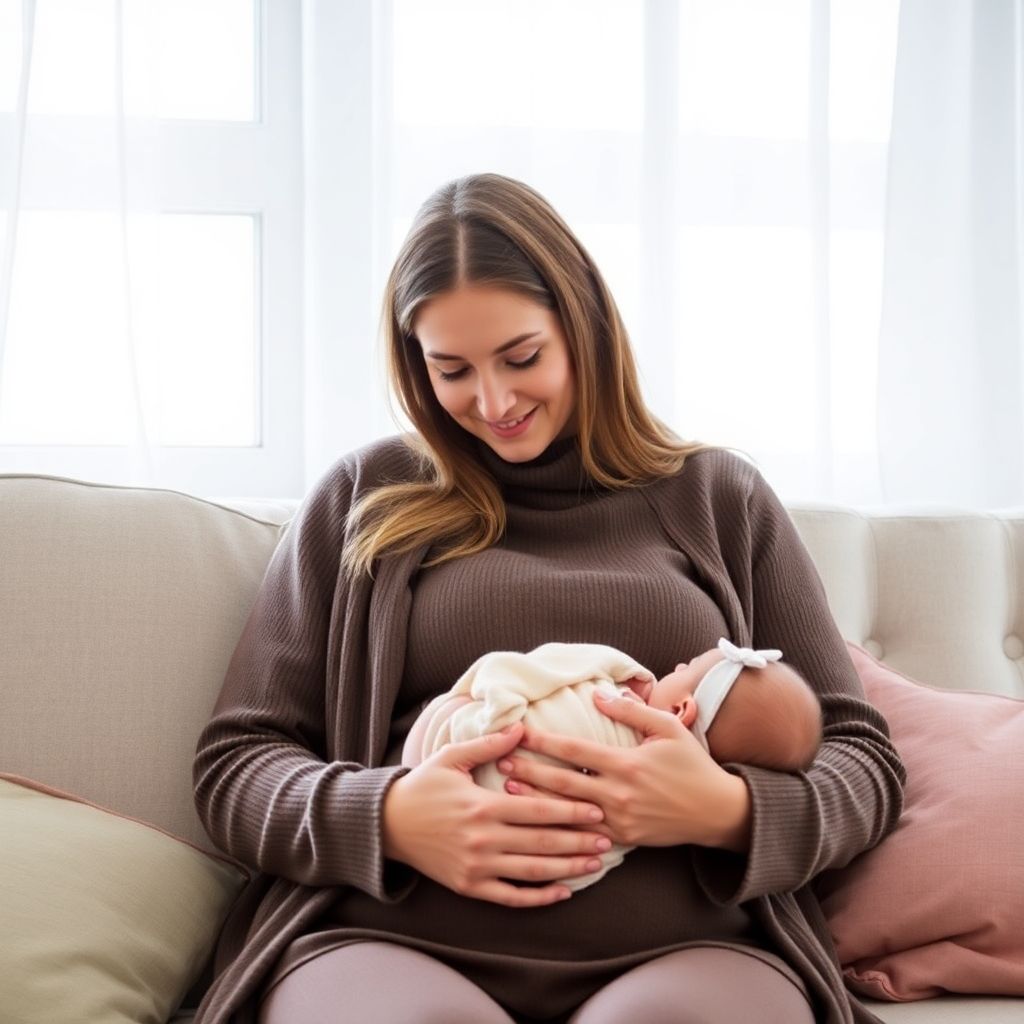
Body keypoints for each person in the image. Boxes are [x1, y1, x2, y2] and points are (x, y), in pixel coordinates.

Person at [190, 172, 906, 1024]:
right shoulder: (365, 497)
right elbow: (237, 763)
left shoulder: (719, 498)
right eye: (451, 369)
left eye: (521, 357)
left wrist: (728, 812)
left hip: (689, 953)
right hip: (393, 946)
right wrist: (386, 818)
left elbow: (862, 759)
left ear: (585, 327)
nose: (492, 403)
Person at [401, 637, 823, 893]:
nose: (675, 665)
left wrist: (730, 811)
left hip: (465, 751)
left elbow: (548, 663)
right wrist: (389, 817)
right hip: (485, 872)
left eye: (686, 668)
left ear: (680, 710)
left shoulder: (615, 696)